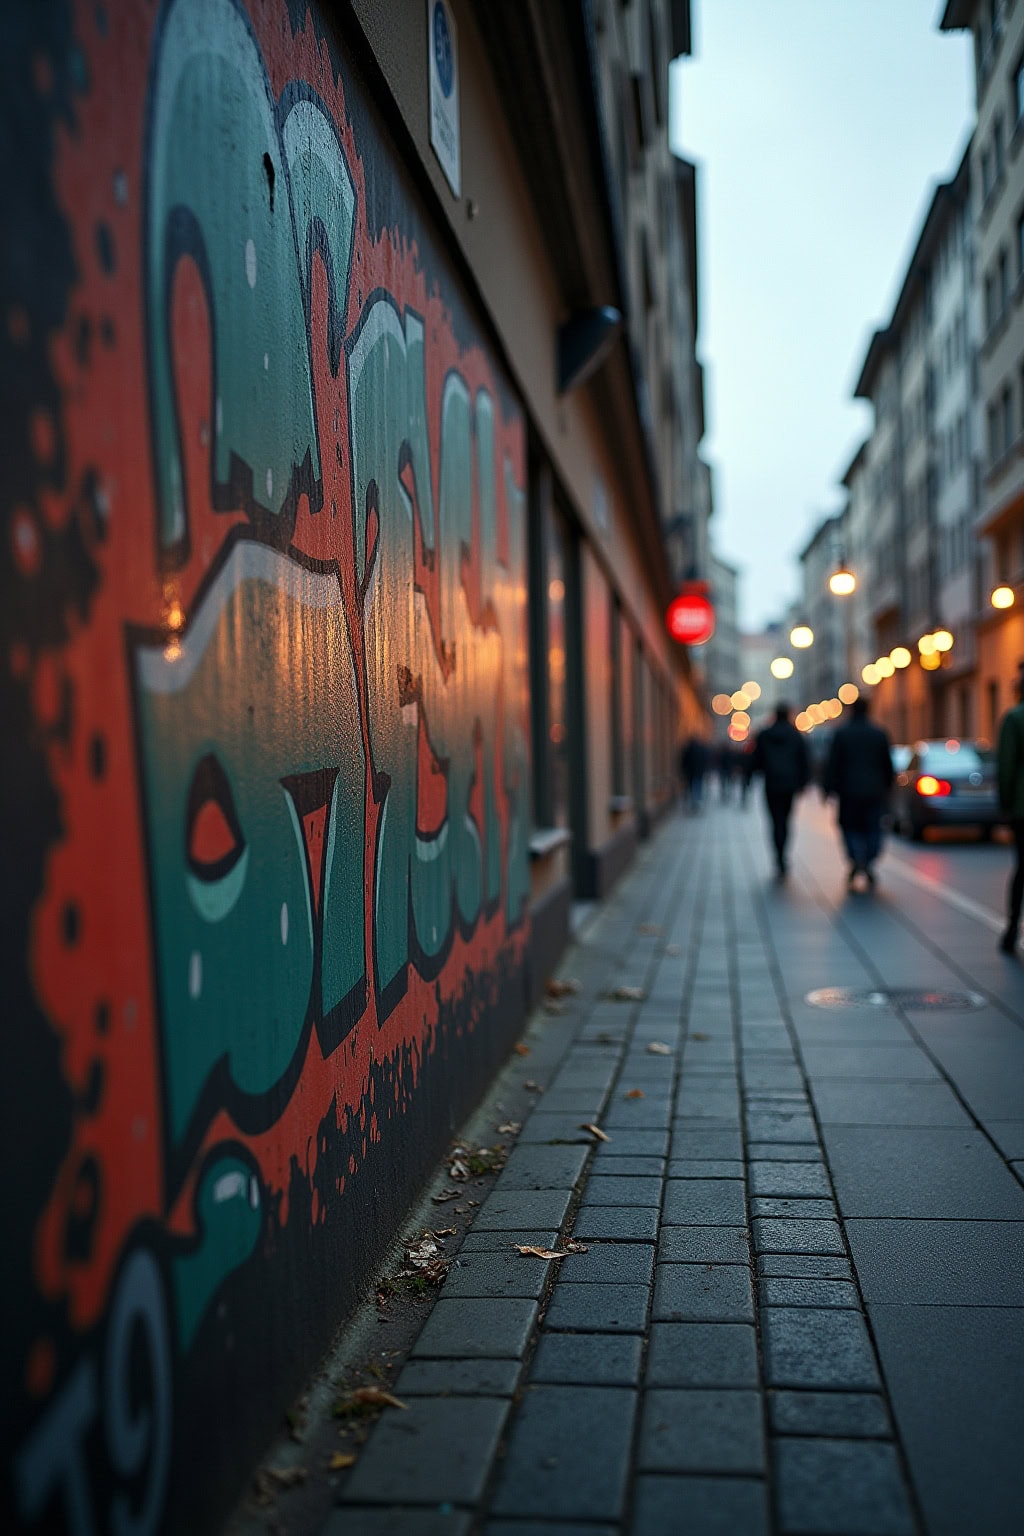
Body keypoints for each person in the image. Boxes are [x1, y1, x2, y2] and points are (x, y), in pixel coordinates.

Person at [822, 695, 894, 890]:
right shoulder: (879, 733)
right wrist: (888, 786)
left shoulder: (842, 734)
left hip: (848, 792)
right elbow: (887, 764)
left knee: (849, 827)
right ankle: (868, 859)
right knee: (873, 827)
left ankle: (856, 858)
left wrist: (827, 789)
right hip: (874, 791)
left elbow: (833, 763)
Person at [751, 703, 810, 877]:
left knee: (774, 820)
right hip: (789, 785)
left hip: (771, 784)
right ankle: (783, 852)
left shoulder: (764, 735)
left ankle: (778, 854)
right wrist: (802, 783)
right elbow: (803, 760)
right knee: (786, 820)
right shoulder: (796, 735)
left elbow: (756, 759)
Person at [996, 662, 1024, 953]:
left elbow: (1006, 767)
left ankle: (1013, 927)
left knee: (1021, 868)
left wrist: (1004, 805)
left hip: (1021, 806)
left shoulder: (1015, 718)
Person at [679, 735, 710, 812]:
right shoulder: (701, 749)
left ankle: (692, 802)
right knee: (697, 787)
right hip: (698, 772)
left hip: (690, 772)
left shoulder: (687, 749)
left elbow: (683, 761)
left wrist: (683, 771)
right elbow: (704, 761)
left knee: (691, 787)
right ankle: (696, 801)